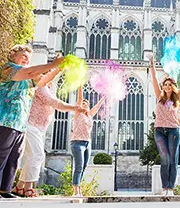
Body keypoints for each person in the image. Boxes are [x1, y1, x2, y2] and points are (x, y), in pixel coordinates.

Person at [0, 45, 65, 198]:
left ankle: (5, 189)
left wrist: (57, 69)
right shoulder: (8, 69)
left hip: (20, 124)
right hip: (5, 120)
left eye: (28, 59)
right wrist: (52, 64)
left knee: (14, 158)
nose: (26, 60)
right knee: (1, 155)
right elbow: (30, 72)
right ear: (12, 54)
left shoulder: (27, 79)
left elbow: (41, 81)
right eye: (24, 56)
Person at [12, 84, 86, 197]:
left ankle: (20, 186)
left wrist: (79, 89)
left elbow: (58, 102)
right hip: (31, 125)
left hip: (38, 128)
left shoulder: (49, 89)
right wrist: (73, 108)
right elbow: (56, 103)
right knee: (37, 155)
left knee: (34, 156)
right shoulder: (41, 87)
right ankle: (27, 187)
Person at [148, 53, 180, 196]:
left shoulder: (177, 99)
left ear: (172, 86)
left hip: (174, 131)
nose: (167, 86)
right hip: (159, 131)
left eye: (169, 85)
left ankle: (171, 189)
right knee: (164, 158)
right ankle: (164, 187)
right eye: (165, 85)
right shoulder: (159, 97)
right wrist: (151, 62)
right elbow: (154, 78)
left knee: (173, 159)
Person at [71, 86, 106, 197]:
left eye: (86, 104)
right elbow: (80, 98)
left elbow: (97, 106)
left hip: (87, 143)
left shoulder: (89, 115)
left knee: (84, 166)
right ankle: (76, 191)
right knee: (79, 166)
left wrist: (104, 96)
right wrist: (80, 86)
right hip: (77, 143)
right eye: (83, 104)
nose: (84, 105)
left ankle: (78, 187)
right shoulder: (77, 114)